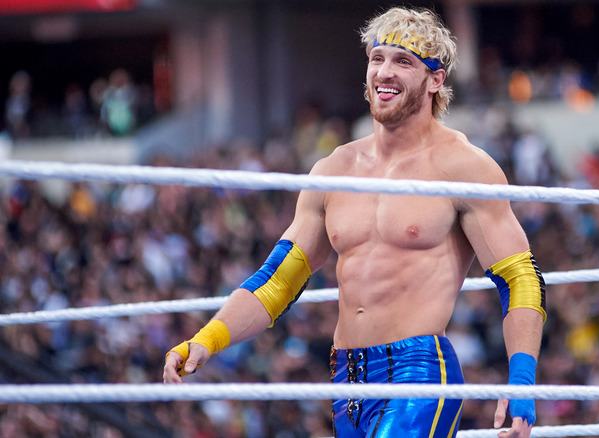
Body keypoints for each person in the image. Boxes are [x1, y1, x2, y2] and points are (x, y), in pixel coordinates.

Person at [163, 7, 546, 438]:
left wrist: (521, 380)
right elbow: (278, 280)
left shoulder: (462, 166)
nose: (385, 71)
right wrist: (207, 338)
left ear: (436, 80)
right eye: (377, 58)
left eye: (404, 61)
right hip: (347, 379)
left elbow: (520, 277)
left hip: (419, 372)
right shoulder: (334, 169)